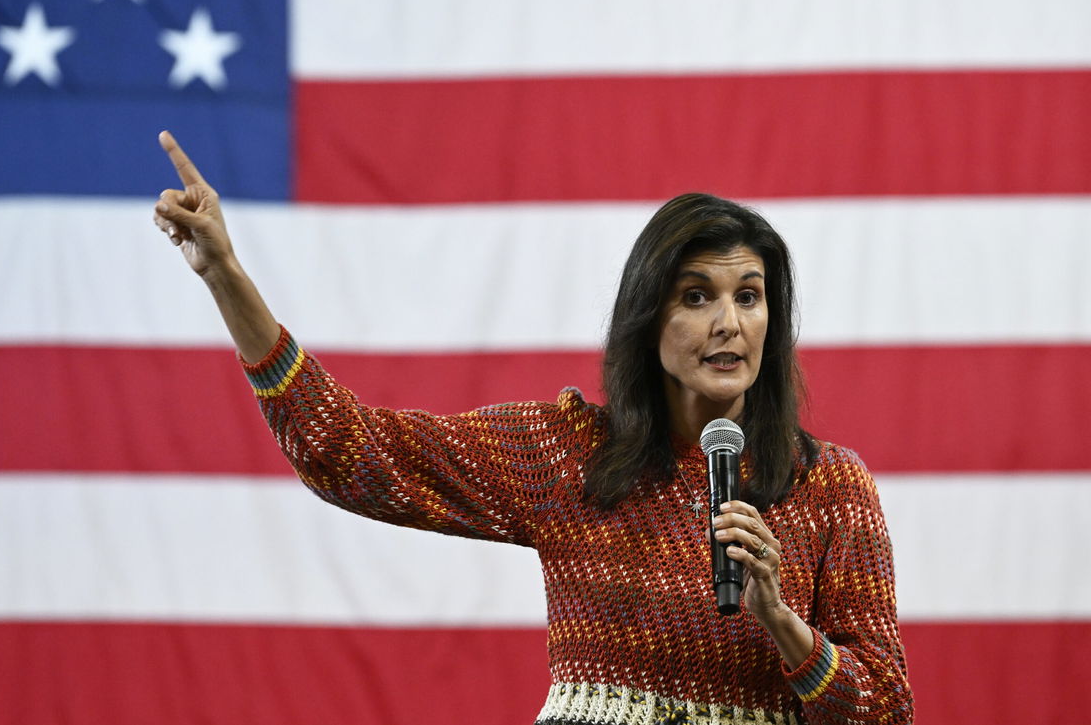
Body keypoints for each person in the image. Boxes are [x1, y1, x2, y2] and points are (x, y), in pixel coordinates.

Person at [152, 130, 913, 724]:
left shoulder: (831, 486)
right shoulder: (571, 452)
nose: (727, 323)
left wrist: (785, 626)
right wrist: (225, 276)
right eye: (696, 296)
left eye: (749, 296)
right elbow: (351, 452)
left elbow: (885, 708)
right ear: (649, 320)